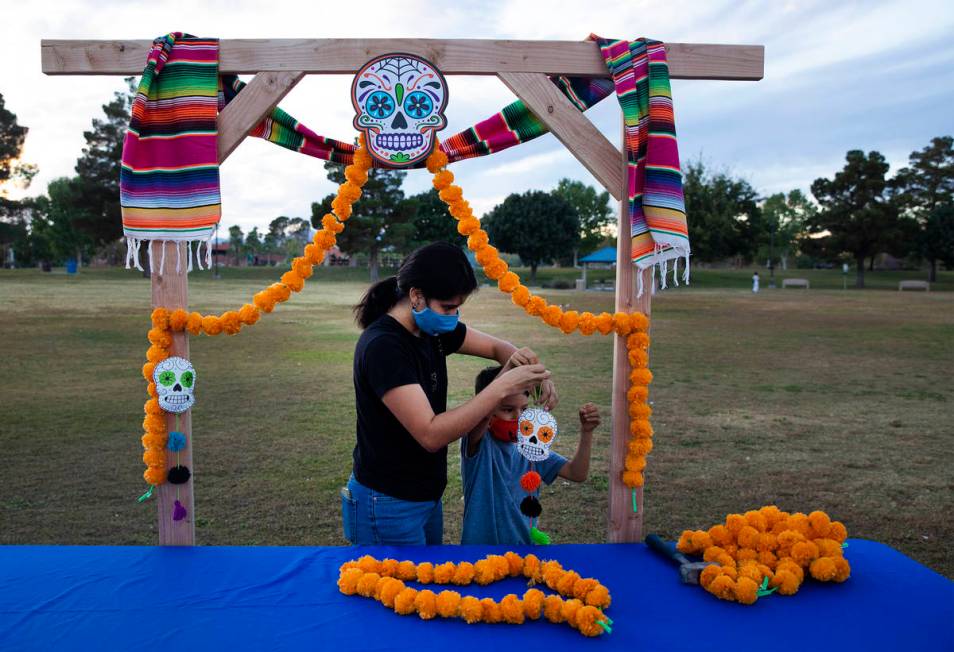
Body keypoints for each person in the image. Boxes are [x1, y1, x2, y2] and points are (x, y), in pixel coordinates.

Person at [342, 242, 558, 545]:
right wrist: (500, 388)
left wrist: (534, 372)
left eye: (458, 307)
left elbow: (499, 348)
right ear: (416, 295)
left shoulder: (433, 330)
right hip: (387, 503)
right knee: (400, 592)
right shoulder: (384, 347)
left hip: (425, 497)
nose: (453, 317)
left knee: (426, 588)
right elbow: (430, 434)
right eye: (447, 307)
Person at [460, 355, 600, 545]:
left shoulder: (532, 448)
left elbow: (577, 473)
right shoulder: (479, 443)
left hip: (524, 553)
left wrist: (587, 432)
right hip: (479, 555)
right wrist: (505, 379)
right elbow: (482, 413)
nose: (519, 417)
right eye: (508, 410)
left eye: (524, 409)